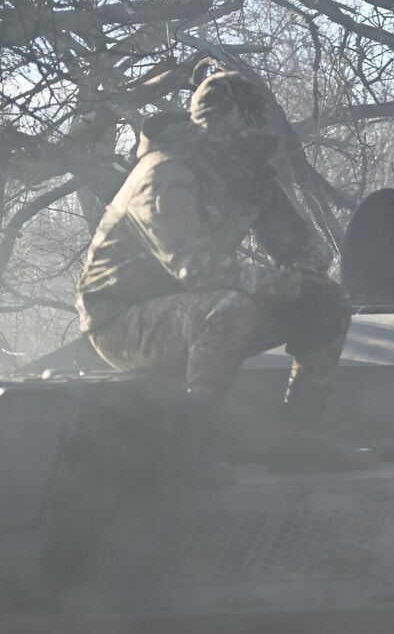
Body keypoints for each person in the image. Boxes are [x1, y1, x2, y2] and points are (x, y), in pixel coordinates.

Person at [75, 69, 365, 487]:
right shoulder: (165, 174)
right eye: (247, 133)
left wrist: (306, 282)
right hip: (118, 320)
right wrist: (286, 285)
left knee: (328, 302)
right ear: (219, 133)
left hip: (193, 311)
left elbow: (304, 247)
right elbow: (195, 269)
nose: (257, 143)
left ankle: (299, 439)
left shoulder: (247, 175)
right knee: (230, 308)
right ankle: (189, 450)